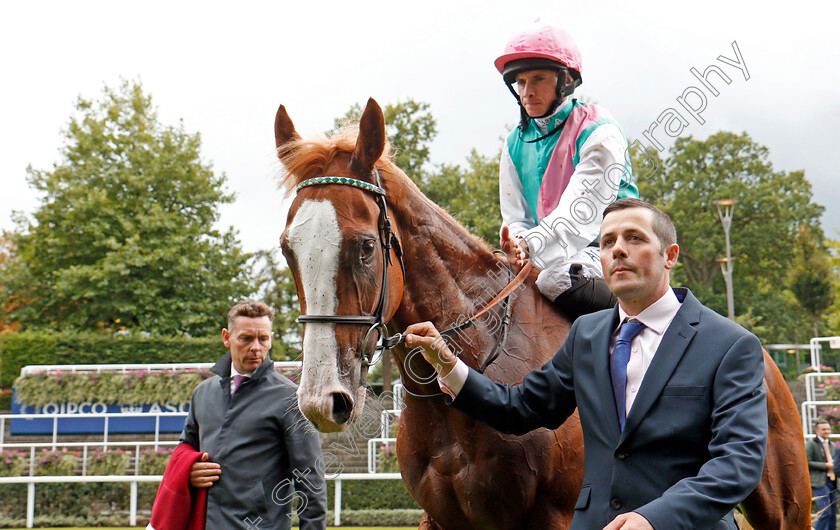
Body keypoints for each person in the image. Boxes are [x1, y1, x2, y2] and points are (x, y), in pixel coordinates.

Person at [405, 198, 768, 530]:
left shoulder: (731, 345)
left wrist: (654, 518)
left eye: (634, 238)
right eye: (608, 242)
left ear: (670, 255)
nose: (618, 250)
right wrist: (450, 366)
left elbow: (738, 464)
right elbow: (521, 409)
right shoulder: (587, 334)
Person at [495, 20, 640, 320]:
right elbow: (516, 217)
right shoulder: (513, 144)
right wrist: (517, 247)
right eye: (520, 82)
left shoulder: (599, 130)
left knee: (555, 280)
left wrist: (527, 249)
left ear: (565, 82)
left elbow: (578, 216)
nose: (527, 91)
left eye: (538, 79)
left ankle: (637, 322)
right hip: (550, 253)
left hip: (612, 247)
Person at [180, 300, 327, 529]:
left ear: (271, 338)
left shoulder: (291, 399)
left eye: (263, 339)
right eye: (246, 338)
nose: (256, 347)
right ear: (227, 337)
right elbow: (184, 450)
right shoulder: (203, 393)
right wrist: (188, 471)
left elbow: (311, 480)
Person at [807, 420, 837, 530]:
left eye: (828, 429)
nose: (826, 431)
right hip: (819, 482)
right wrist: (826, 465)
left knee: (833, 513)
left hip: (832, 482)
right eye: (823, 429)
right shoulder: (811, 444)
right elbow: (807, 462)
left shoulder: (832, 445)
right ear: (817, 431)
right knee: (825, 512)